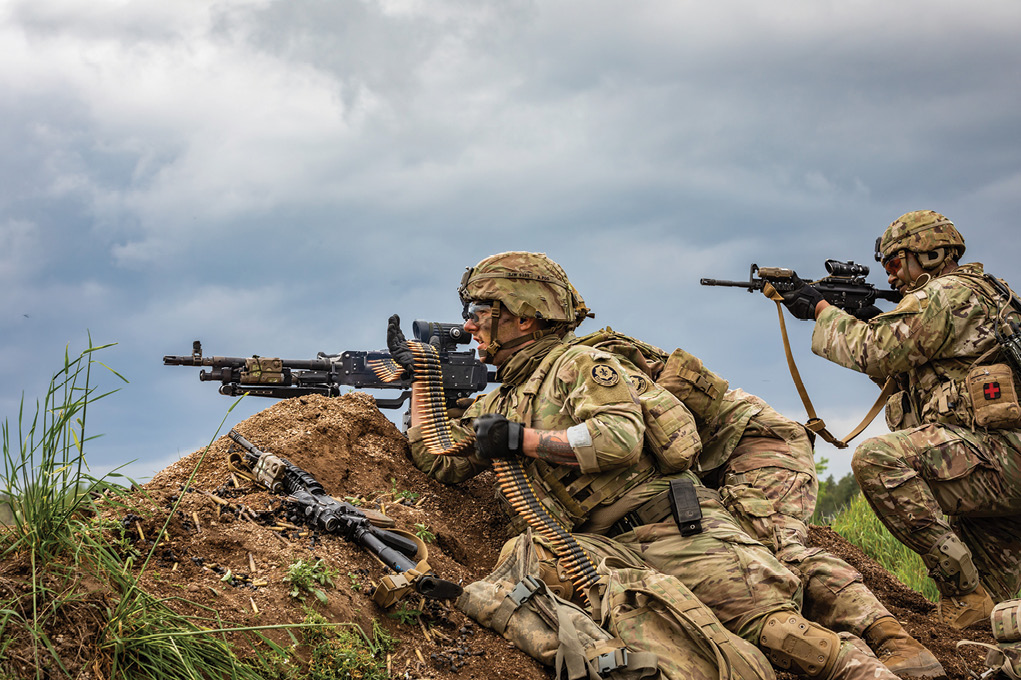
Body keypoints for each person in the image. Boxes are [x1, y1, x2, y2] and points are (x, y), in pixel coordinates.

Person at [390, 251, 900, 680]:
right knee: (525, 571)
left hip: (677, 530)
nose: (469, 324)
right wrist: (422, 372)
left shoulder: (581, 364)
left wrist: (522, 439)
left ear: (526, 316)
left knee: (785, 638)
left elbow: (617, 440)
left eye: (482, 310)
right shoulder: (504, 398)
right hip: (600, 550)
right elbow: (437, 459)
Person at [568, 330, 943, 677]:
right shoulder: (580, 362)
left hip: (761, 442)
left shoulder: (595, 362)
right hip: (718, 459)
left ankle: (897, 642)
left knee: (776, 546)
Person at [776, 209, 1021, 629]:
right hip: (995, 465)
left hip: (998, 460)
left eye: (894, 263)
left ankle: (960, 591)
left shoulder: (944, 295)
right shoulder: (985, 292)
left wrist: (822, 311)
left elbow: (877, 350)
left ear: (929, 256)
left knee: (876, 459)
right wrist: (863, 318)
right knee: (992, 617)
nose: (890, 278)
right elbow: (901, 374)